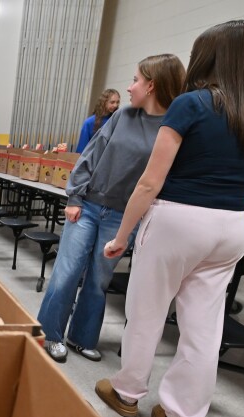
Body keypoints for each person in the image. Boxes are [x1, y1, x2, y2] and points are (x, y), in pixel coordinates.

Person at [97, 20, 244, 417]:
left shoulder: (191, 105)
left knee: (147, 311)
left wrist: (122, 234)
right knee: (204, 327)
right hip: (232, 224)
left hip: (178, 219)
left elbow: (149, 182)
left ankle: (127, 393)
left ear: (208, 55)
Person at [37, 54, 185, 363]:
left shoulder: (173, 128)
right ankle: (50, 334)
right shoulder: (123, 117)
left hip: (123, 217)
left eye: (135, 80)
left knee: (98, 281)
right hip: (88, 207)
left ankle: (82, 336)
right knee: (67, 273)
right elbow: (90, 156)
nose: (130, 88)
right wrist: (75, 198)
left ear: (152, 85)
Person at [75, 89, 120, 153]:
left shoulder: (117, 121)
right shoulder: (89, 123)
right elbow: (81, 150)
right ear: (104, 102)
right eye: (112, 102)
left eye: (117, 102)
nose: (115, 105)